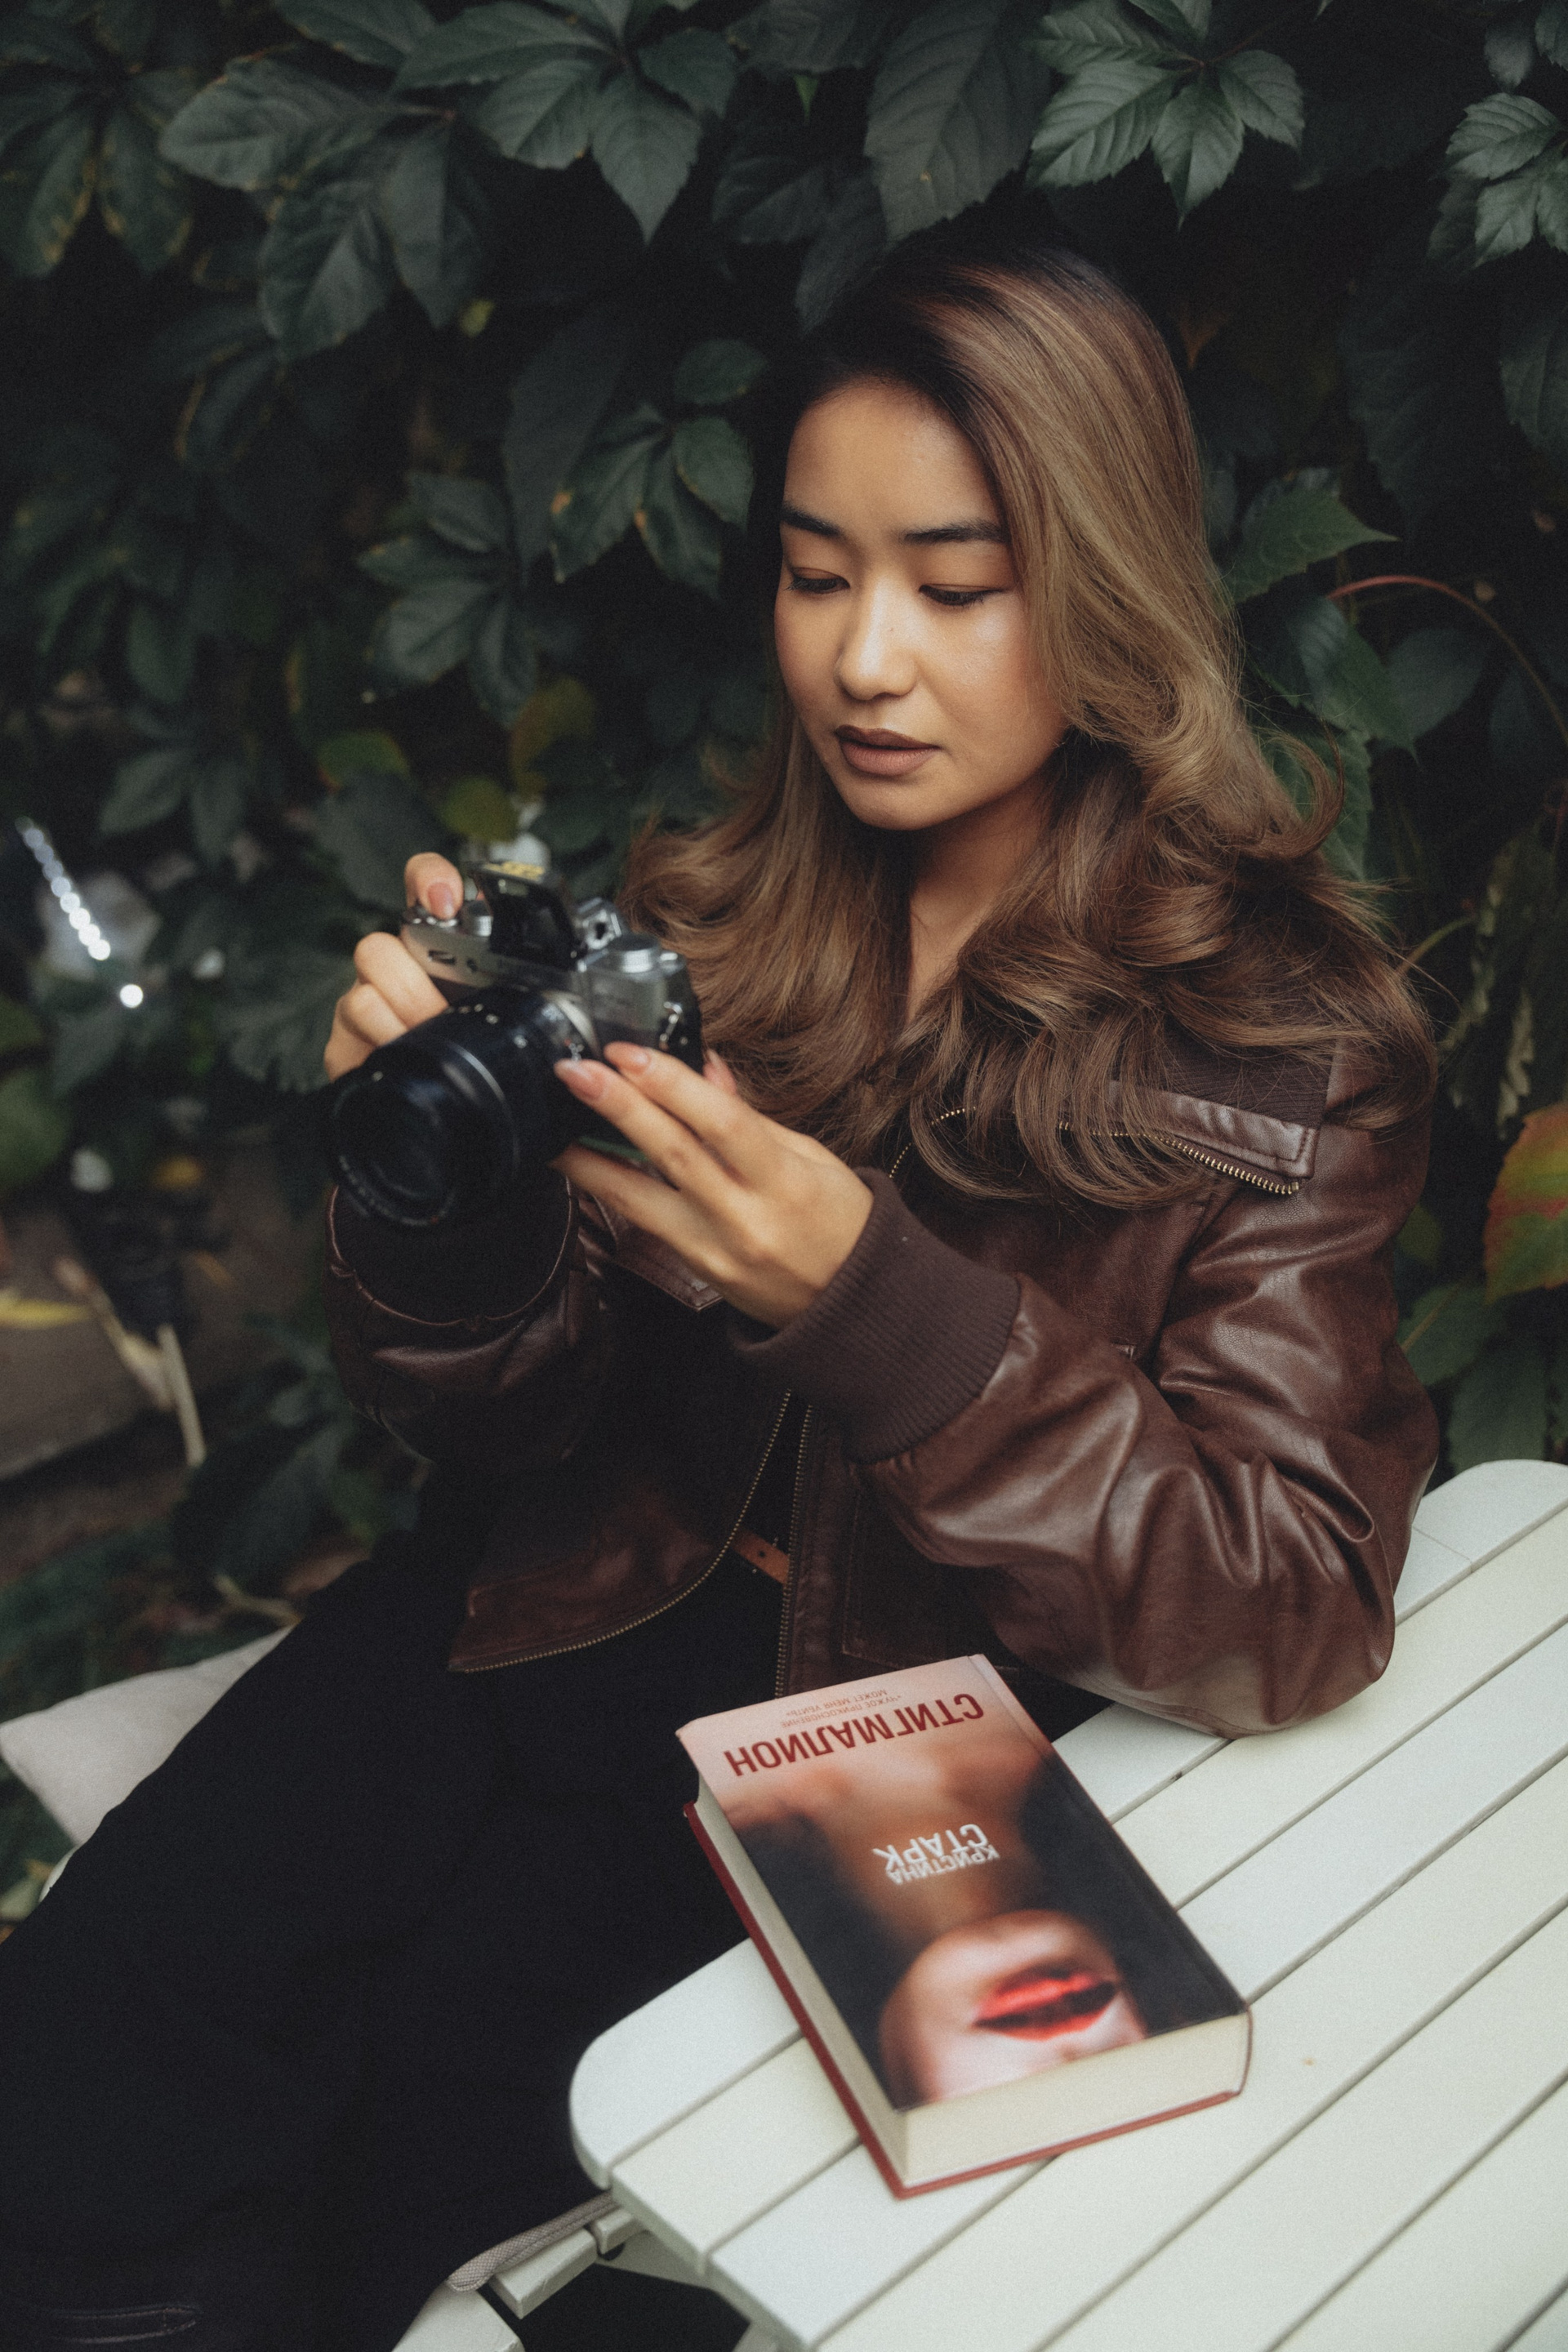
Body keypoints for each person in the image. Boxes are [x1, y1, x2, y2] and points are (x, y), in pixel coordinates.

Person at [0, 231, 1437, 2350]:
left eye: (955, 586)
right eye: (814, 572)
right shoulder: (711, 926)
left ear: (1107, 587)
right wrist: (448, 1195)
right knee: (92, 2051)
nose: (865, 659)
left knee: (455, 2195)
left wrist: (871, 1299)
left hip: (867, 1742)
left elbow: (1286, 1603)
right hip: (536, 1602)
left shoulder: (1283, 1044)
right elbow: (502, 1413)